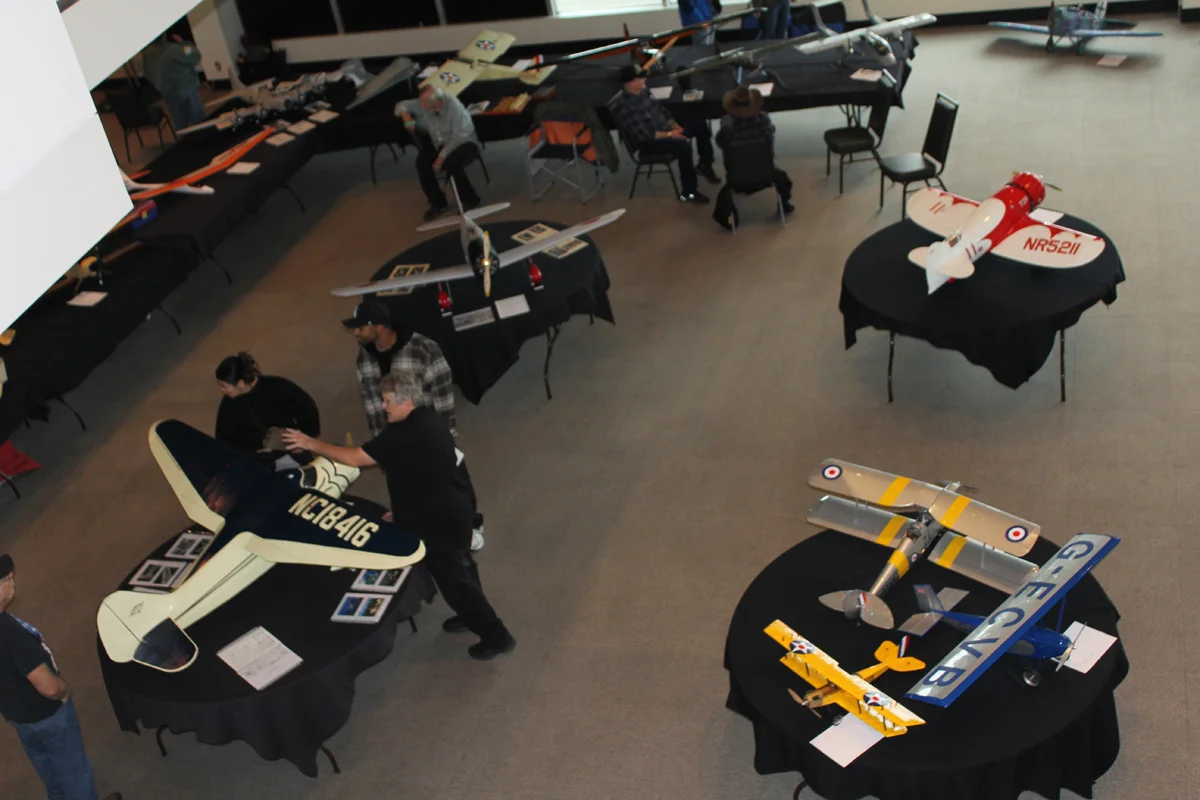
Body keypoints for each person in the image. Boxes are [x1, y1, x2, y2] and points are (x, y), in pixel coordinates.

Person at [281, 374, 516, 660]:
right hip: (452, 510)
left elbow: (356, 458)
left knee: (456, 582)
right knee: (464, 568)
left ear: (406, 400)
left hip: (439, 522)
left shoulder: (403, 433)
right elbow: (418, 474)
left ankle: (496, 635)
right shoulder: (428, 418)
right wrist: (405, 511)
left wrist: (309, 443)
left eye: (387, 401)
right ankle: (471, 615)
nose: (383, 406)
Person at [343, 300, 486, 551]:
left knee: (451, 485)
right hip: (394, 439)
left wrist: (444, 438)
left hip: (429, 437)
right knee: (405, 487)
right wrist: (380, 442)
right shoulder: (364, 358)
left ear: (379, 326)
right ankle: (411, 522)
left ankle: (471, 525)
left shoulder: (423, 349)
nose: (355, 332)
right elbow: (370, 401)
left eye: (360, 327)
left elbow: (443, 394)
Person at [0, 555, 123, 800]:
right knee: (75, 772)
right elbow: (49, 688)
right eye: (6, 578)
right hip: (48, 715)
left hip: (17, 714)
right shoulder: (11, 636)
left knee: (47, 767)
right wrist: (65, 691)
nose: (12, 580)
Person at [610, 65, 720, 205]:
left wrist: (673, 124)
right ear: (630, 82)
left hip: (664, 129)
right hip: (650, 142)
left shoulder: (643, 92)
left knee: (700, 125)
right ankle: (689, 192)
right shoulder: (625, 107)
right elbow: (645, 135)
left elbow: (662, 110)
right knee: (684, 148)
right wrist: (671, 134)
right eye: (640, 78)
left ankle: (705, 165)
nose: (644, 79)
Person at [214, 353, 321, 470]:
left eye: (224, 386)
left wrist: (307, 438)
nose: (222, 390)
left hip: (288, 452)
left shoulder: (278, 387)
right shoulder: (228, 404)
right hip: (256, 462)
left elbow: (307, 410)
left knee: (304, 474)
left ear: (240, 383)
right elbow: (223, 439)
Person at [712, 85, 794, 231]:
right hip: (767, 175)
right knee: (783, 178)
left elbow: (720, 143)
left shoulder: (726, 124)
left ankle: (730, 221)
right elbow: (771, 137)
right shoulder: (764, 119)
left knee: (725, 192)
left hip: (736, 179)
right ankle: (785, 205)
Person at [395, 85, 483, 222]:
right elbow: (400, 105)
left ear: (437, 101)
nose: (421, 105)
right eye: (421, 101)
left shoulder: (454, 108)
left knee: (452, 162)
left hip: (464, 142)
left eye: (425, 102)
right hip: (439, 143)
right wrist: (406, 116)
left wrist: (440, 159)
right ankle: (438, 203)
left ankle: (470, 199)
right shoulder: (425, 103)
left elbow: (458, 137)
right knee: (422, 163)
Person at [141, 30, 205, 131]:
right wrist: (184, 44)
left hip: (166, 91)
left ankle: (185, 140)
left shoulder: (147, 55)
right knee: (198, 120)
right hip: (185, 87)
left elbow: (147, 74)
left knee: (180, 123)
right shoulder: (173, 49)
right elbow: (195, 55)